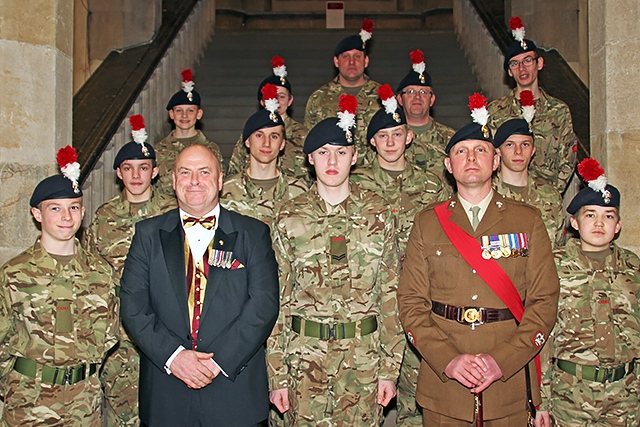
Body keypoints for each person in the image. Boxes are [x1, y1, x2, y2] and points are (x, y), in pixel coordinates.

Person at [397, 95, 560, 426]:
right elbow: (411, 303)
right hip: (445, 386)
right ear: (448, 165)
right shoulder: (427, 223)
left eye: (481, 150)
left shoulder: (527, 221)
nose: (471, 158)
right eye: (461, 151)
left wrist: (502, 361)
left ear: (496, 161)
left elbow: (544, 302)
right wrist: (449, 360)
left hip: (507, 382)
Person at [268, 95, 404, 426]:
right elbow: (277, 299)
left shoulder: (379, 212)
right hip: (304, 359)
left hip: (364, 360)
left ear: (355, 157)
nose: (333, 161)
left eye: (341, 152)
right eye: (323, 152)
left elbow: (390, 293)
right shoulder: (288, 216)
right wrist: (277, 374)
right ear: (309, 158)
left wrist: (389, 369)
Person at [120, 144, 279, 427]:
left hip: (234, 392)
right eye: (185, 172)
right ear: (173, 181)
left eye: (204, 172)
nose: (194, 181)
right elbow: (133, 307)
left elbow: (263, 306)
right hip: (167, 393)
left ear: (219, 181)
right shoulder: (147, 235)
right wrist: (175, 358)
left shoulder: (253, 233)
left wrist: (218, 362)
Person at [0, 146, 119, 426]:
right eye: (55, 208)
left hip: (84, 403)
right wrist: (15, 384)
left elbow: (111, 336)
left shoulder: (100, 272)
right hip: (28, 400)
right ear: (37, 214)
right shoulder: (15, 273)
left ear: (83, 211)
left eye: (73, 207)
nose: (66, 217)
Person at [351, 84, 446, 427]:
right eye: (382, 135)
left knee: (420, 394)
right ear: (372, 141)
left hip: (423, 297)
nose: (390, 141)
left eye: (397, 133)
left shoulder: (433, 185)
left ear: (408, 137)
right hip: (373, 300)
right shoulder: (355, 184)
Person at [82, 116, 176, 426]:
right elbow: (92, 273)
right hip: (120, 335)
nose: (136, 175)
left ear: (156, 171)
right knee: (122, 411)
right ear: (119, 174)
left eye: (144, 167)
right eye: (128, 168)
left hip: (166, 326)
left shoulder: (172, 214)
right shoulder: (103, 217)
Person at [537, 158, 640, 427]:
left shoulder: (633, 267)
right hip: (569, 394)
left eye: (608, 216)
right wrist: (541, 401)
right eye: (590, 214)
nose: (599, 223)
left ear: (617, 226)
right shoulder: (553, 265)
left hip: (625, 395)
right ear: (574, 222)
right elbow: (542, 334)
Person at [487, 17, 577, 193]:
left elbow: (568, 158)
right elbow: (489, 154)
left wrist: (550, 196)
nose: (522, 68)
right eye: (515, 64)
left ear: (540, 63)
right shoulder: (495, 111)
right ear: (509, 72)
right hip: (505, 197)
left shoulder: (558, 111)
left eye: (527, 60)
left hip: (545, 199)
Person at [221, 94, 308, 226]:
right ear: (247, 142)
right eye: (259, 135)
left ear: (282, 144)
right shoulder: (226, 190)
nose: (266, 143)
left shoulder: (298, 191)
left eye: (273, 136)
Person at [304, 19, 381, 165]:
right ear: (336, 61)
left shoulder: (383, 96)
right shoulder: (319, 98)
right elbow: (311, 142)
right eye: (346, 56)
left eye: (357, 56)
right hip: (332, 173)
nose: (352, 62)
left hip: (374, 179)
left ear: (366, 61)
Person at [227, 56, 311, 183]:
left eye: (281, 96)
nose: (276, 101)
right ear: (262, 102)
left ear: (290, 100)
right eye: (271, 97)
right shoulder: (252, 132)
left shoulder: (304, 135)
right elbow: (234, 172)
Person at [493, 116, 566, 248]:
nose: (518, 151)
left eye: (525, 144)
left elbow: (559, 246)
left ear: (533, 150)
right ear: (498, 151)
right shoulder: (485, 193)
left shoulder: (550, 195)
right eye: (510, 145)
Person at [154, 69, 224, 196]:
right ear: (171, 114)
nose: (184, 116)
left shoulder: (210, 149)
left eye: (190, 111)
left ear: (199, 114)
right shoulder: (158, 150)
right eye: (179, 111)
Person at [396, 49, 455, 175]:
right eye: (411, 92)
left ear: (432, 99)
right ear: (400, 99)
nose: (417, 97)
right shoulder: (390, 138)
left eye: (423, 92)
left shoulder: (450, 138)